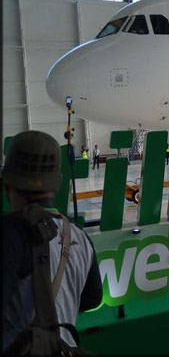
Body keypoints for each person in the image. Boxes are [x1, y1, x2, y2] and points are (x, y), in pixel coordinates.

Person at [2, 131, 102, 352]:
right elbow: (94, 298)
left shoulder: (9, 233)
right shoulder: (80, 238)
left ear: (7, 183)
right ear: (56, 185)